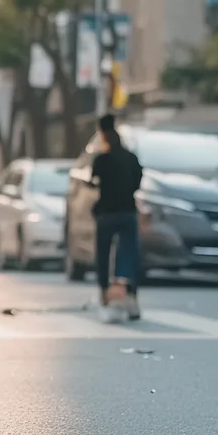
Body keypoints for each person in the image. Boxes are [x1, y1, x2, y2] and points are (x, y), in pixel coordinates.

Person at [87, 114, 143, 323]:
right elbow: (137, 182)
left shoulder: (101, 159)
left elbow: (92, 181)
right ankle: (131, 294)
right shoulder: (131, 158)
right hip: (127, 211)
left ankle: (104, 292)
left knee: (102, 254)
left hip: (106, 213)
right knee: (130, 252)